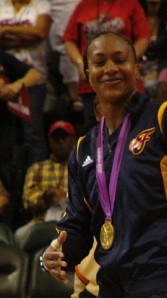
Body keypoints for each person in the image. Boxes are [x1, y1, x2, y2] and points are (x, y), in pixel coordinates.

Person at [41, 32, 167, 298]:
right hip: (115, 288)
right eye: (100, 62)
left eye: (120, 60)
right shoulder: (83, 149)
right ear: (87, 73)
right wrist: (54, 255)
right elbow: (76, 226)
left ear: (137, 68)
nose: (110, 69)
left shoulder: (166, 116)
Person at [63, 0, 150, 130]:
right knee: (95, 135)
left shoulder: (131, 4)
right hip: (92, 87)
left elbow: (143, 38)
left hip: (126, 84)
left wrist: (125, 61)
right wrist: (81, 63)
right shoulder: (83, 6)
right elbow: (69, 40)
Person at [0, 0, 53, 163]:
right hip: (5, 76)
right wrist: (26, 36)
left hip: (31, 76)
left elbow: (40, 33)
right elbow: (33, 35)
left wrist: (7, 30)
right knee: (6, 134)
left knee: (33, 133)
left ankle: (36, 180)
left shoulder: (41, 4)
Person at [15, 120, 76, 238]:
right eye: (55, 137)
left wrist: (64, 195)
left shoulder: (80, 168)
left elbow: (88, 198)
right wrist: (44, 196)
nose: (60, 141)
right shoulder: (37, 168)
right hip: (40, 221)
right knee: (18, 236)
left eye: (64, 136)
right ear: (49, 141)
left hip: (72, 221)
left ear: (73, 140)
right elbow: (27, 201)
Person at [0, 50, 41, 226]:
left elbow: (35, 75)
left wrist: (16, 85)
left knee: (7, 187)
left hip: (4, 132)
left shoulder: (3, 58)